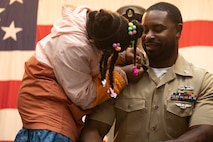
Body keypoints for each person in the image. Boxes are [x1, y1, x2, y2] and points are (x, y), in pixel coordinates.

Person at [80, 2, 213, 142]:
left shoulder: (202, 81)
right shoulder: (121, 77)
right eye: (145, 30)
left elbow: (204, 131)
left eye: (158, 29)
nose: (149, 36)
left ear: (178, 31)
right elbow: (94, 129)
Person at [14, 5, 143, 142]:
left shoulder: (93, 25)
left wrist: (121, 56)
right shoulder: (73, 47)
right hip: (46, 106)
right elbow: (84, 97)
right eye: (114, 51)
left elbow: (94, 54)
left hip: (55, 107)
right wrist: (121, 75)